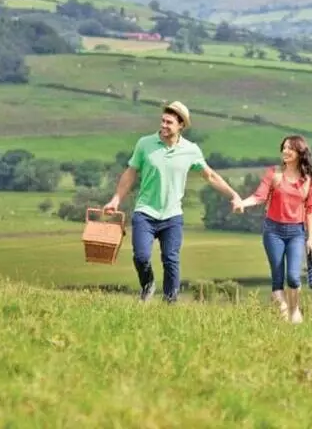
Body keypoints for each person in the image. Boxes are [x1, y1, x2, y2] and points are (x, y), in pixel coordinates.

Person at [103, 101, 242, 303]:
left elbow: (210, 176)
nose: (164, 125)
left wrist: (234, 195)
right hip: (145, 212)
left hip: (172, 216)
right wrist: (116, 199)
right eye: (163, 121)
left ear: (181, 126)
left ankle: (170, 302)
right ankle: (148, 284)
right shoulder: (145, 144)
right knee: (141, 257)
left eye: (169, 122)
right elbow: (131, 172)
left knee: (171, 260)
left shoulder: (191, 150)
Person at [235, 135, 312, 323]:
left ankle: (295, 311)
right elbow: (259, 196)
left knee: (294, 277)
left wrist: (310, 237)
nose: (285, 151)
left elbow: (311, 208)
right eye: (284, 148)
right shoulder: (273, 173)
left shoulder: (308, 180)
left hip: (297, 232)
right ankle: (283, 316)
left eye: (291, 148)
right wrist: (243, 203)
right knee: (278, 279)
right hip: (273, 231)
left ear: (300, 153)